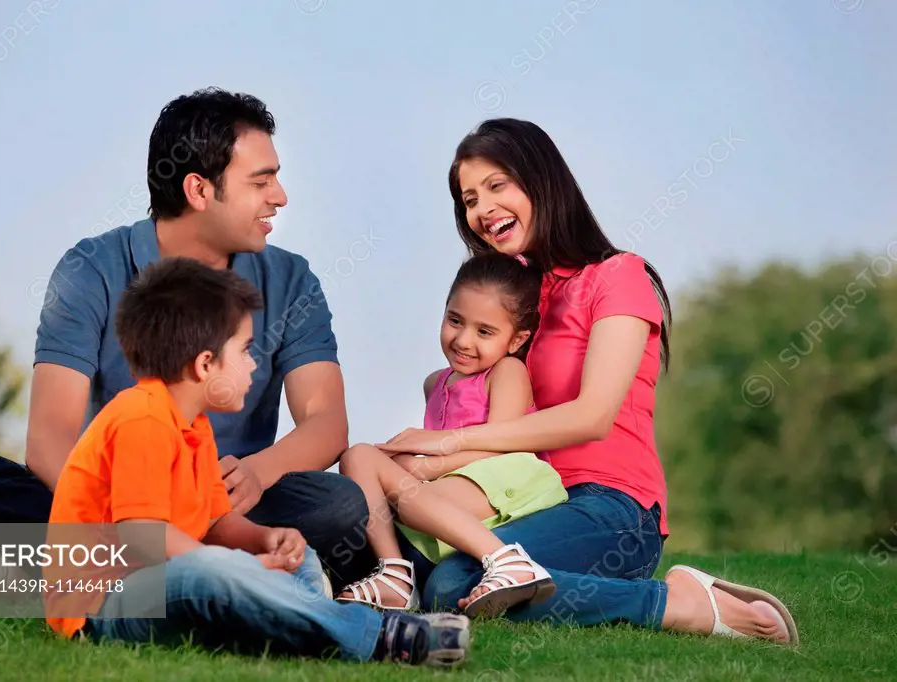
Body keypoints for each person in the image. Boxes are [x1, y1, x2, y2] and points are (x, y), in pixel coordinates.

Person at [0, 87, 376, 591]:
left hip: (227, 505)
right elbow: (49, 440)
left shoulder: (292, 280)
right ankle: (181, 567)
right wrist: (138, 519)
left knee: (338, 505)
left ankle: (100, 570)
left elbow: (326, 421)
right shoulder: (90, 270)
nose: (280, 196)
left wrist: (258, 473)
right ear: (199, 190)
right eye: (261, 181)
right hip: (111, 500)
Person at [378, 118, 800, 645]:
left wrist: (447, 443)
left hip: (613, 506)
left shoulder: (617, 276)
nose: (482, 210)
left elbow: (591, 415)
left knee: (456, 583)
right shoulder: (512, 308)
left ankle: (680, 603)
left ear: (541, 180)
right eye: (468, 199)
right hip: (524, 500)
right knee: (384, 533)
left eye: (496, 186)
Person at [42, 256, 471, 667]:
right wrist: (240, 567)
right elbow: (143, 537)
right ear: (205, 364)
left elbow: (215, 523)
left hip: (168, 586)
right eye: (245, 350)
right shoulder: (141, 417)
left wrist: (264, 541)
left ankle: (308, 626)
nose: (254, 362)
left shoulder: (193, 426)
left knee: (299, 557)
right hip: (104, 607)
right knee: (211, 568)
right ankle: (378, 636)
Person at [335, 252, 569, 618]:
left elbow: (502, 445)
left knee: (407, 497)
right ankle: (394, 572)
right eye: (454, 321)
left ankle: (506, 560)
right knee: (357, 457)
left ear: (516, 339)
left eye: (484, 332)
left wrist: (428, 468)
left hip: (507, 475)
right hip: (456, 479)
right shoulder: (435, 383)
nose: (462, 340)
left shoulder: (506, 371)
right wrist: (402, 462)